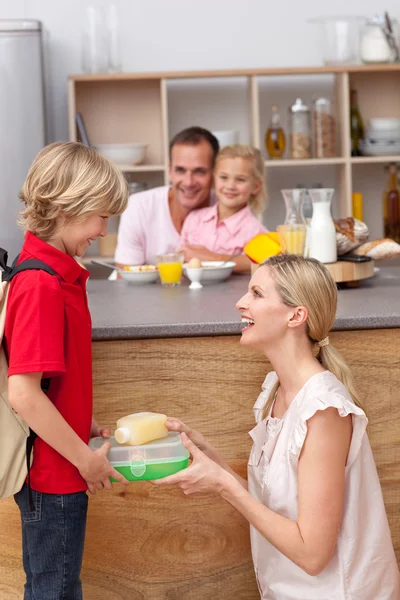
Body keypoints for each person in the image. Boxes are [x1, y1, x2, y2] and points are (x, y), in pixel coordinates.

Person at [153, 254, 400, 599]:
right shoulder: (276, 390)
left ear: (296, 315)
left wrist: (225, 485)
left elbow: (313, 554)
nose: (241, 303)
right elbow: (279, 505)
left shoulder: (323, 409)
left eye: (256, 293)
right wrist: (211, 457)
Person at [5, 142, 130, 600]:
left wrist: (81, 423)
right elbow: (24, 394)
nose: (104, 227)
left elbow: (50, 383)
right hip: (56, 475)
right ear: (68, 205)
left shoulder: (57, 277)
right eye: (101, 214)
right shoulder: (41, 284)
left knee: (57, 587)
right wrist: (84, 457)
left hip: (60, 465)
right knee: (54, 591)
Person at [114, 126, 219, 267]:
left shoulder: (228, 207)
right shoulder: (139, 207)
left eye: (199, 171)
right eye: (180, 170)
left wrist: (212, 257)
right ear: (170, 170)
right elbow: (125, 276)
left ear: (214, 172)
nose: (189, 182)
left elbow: (257, 260)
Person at [179, 144, 267, 273]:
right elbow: (181, 258)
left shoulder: (256, 232)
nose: (230, 186)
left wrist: (212, 258)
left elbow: (263, 263)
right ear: (214, 178)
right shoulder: (194, 219)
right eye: (224, 177)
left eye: (240, 179)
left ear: (256, 186)